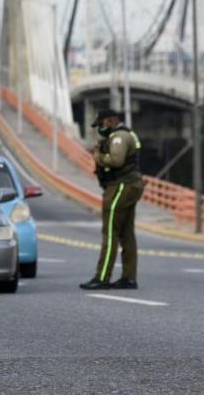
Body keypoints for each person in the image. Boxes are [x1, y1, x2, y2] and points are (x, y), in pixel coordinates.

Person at [80, 109, 144, 291]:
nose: (99, 129)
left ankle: (102, 277)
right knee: (126, 234)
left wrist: (98, 155)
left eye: (100, 124)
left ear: (110, 121)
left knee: (110, 233)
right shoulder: (124, 135)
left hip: (120, 187)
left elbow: (116, 160)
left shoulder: (119, 137)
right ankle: (128, 278)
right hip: (129, 185)